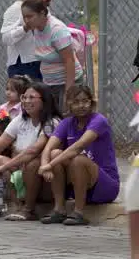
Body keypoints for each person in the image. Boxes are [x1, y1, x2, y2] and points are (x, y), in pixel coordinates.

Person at [36, 85, 119, 225]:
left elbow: (77, 148)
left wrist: (49, 165)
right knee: (55, 153)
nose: (81, 105)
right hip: (78, 184)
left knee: (78, 160)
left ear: (91, 102)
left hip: (105, 186)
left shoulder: (99, 121)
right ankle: (59, 210)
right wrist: (45, 165)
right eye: (76, 102)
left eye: (85, 101)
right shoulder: (66, 123)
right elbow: (49, 147)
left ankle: (79, 212)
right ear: (68, 104)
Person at [0, 80, 62, 221]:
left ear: (45, 100)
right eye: (24, 97)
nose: (26, 101)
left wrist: (5, 166)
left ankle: (29, 209)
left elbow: (33, 151)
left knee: (33, 163)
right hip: (20, 170)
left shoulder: (52, 122)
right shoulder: (21, 119)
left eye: (31, 98)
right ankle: (16, 205)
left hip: (43, 180)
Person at [20, 0, 82, 107]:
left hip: (66, 84)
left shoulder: (57, 30)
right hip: (50, 84)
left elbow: (69, 61)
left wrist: (69, 92)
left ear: (42, 13)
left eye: (30, 16)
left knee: (67, 117)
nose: (27, 21)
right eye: (24, 17)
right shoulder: (36, 28)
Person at [1, 0, 48, 79]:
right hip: (23, 64)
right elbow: (6, 38)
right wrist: (25, 28)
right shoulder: (15, 9)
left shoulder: (41, 6)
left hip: (43, 61)